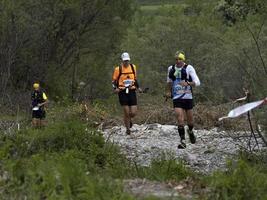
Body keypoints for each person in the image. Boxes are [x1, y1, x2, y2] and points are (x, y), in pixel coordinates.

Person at [166, 50, 200, 149]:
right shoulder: (171, 69)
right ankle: (183, 141)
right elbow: (169, 81)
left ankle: (190, 131)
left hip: (188, 97)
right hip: (177, 97)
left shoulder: (189, 68)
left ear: (183, 59)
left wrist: (188, 83)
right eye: (176, 59)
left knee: (190, 122)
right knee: (180, 119)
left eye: (180, 59)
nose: (178, 61)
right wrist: (168, 92)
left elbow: (198, 82)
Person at [112, 52, 142, 135]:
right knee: (126, 111)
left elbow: (135, 79)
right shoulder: (118, 69)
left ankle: (129, 120)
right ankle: (128, 129)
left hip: (131, 90)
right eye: (125, 61)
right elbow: (114, 81)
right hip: (122, 91)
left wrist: (138, 87)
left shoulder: (133, 67)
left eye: (127, 60)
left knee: (133, 113)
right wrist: (115, 89)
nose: (126, 62)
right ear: (122, 61)